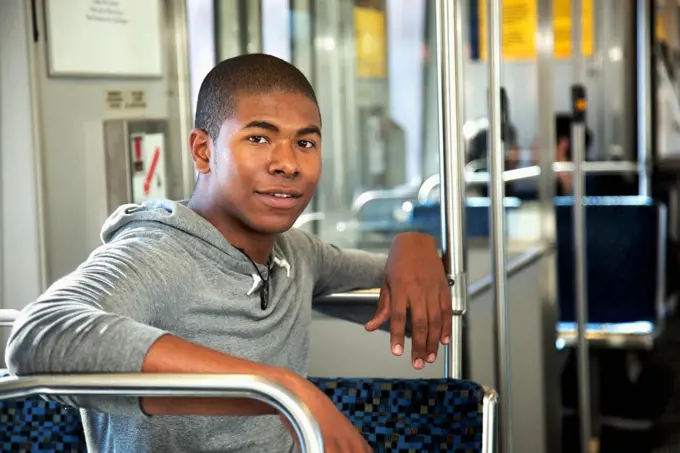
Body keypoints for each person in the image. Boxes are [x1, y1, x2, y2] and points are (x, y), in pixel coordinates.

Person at [5, 54, 453, 453]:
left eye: (305, 142)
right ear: (203, 151)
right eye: (259, 139)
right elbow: (40, 334)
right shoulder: (157, 254)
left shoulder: (297, 252)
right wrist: (276, 388)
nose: (288, 163)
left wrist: (413, 244)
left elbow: (413, 286)